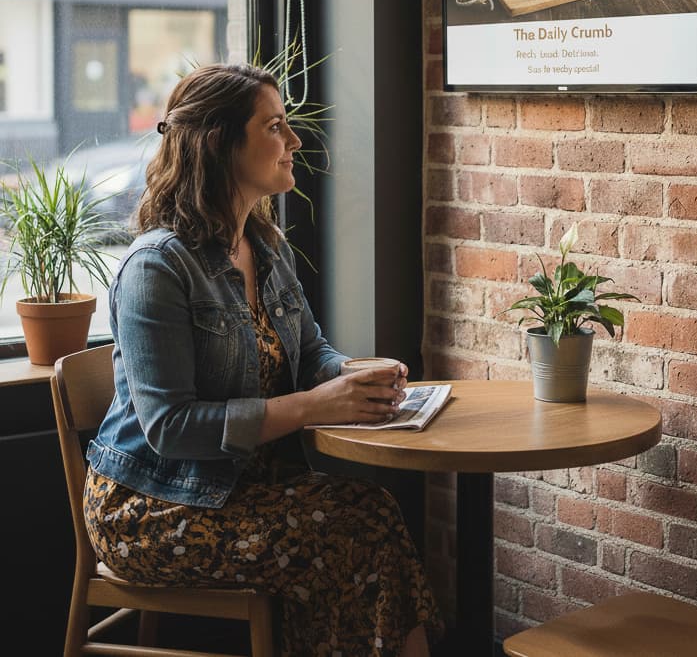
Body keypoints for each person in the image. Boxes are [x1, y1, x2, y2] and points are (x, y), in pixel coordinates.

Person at [84, 63, 442, 657]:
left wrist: (354, 377)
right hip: (150, 508)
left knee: (366, 515)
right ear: (221, 145)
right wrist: (314, 405)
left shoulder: (264, 245)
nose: (295, 141)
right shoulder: (158, 267)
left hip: (240, 493)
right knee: (357, 525)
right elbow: (169, 428)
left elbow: (309, 353)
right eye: (276, 126)